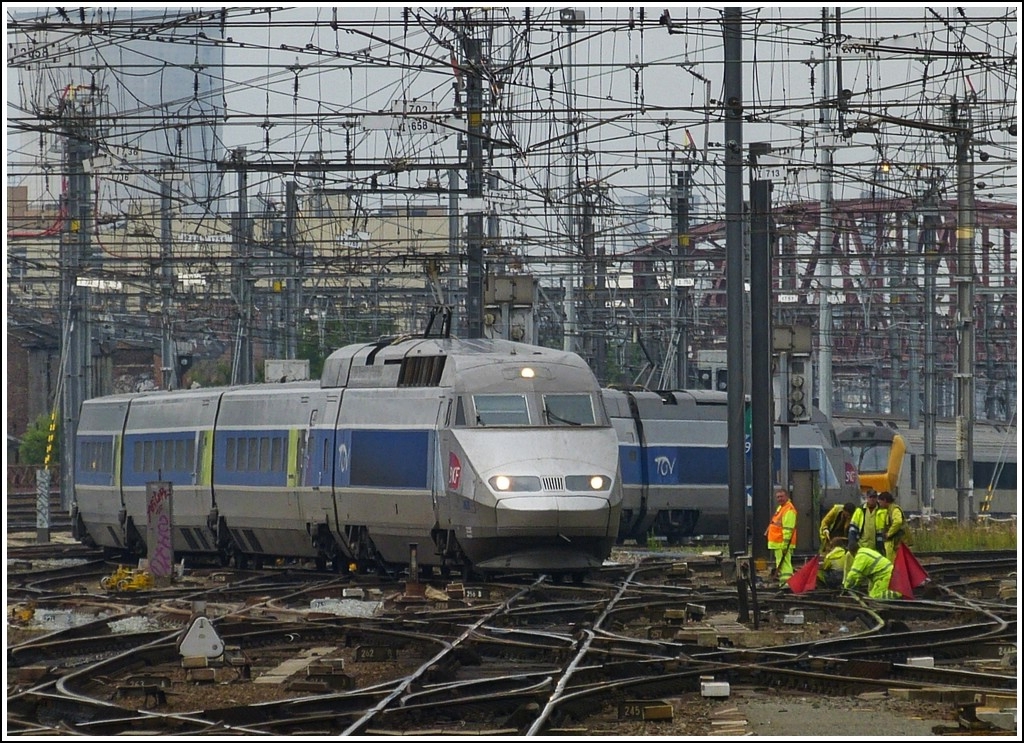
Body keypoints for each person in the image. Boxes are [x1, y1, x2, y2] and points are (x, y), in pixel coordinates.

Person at [766, 486, 797, 588]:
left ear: (787, 496)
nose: (779, 499)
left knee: (785, 563)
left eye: (781, 496)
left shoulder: (789, 509)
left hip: (782, 543)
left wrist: (785, 545)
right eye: (778, 497)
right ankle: (785, 583)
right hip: (778, 542)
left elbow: (788, 529)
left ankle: (787, 583)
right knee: (781, 563)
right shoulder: (781, 508)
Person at [877, 491, 906, 560]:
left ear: (885, 500)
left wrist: (889, 533)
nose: (880, 505)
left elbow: (898, 521)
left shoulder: (894, 509)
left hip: (899, 541)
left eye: (880, 502)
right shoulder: (889, 510)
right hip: (896, 542)